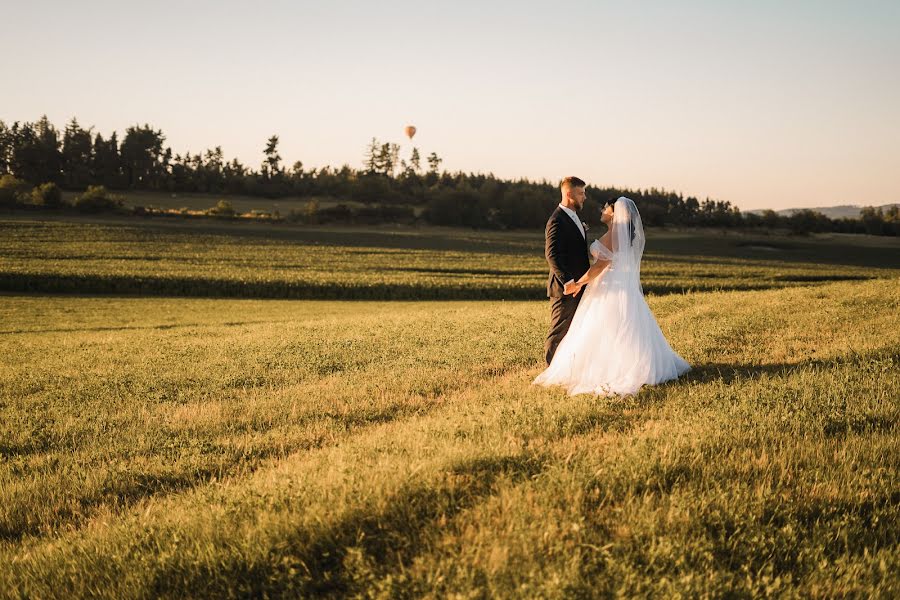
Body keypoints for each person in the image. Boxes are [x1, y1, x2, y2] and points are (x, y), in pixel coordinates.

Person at [534, 196, 690, 396]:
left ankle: (610, 369)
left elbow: (599, 267)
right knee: (625, 329)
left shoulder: (613, 236)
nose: (602, 210)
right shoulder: (616, 234)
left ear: (614, 213)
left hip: (607, 287)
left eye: (605, 207)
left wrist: (579, 283)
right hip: (616, 286)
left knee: (605, 329)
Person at [542, 176, 600, 365]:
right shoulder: (556, 220)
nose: (584, 197)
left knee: (575, 330)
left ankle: (568, 368)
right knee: (559, 331)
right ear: (569, 193)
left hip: (579, 285)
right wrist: (568, 282)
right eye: (581, 193)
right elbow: (552, 255)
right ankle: (550, 370)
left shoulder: (574, 217)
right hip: (566, 288)